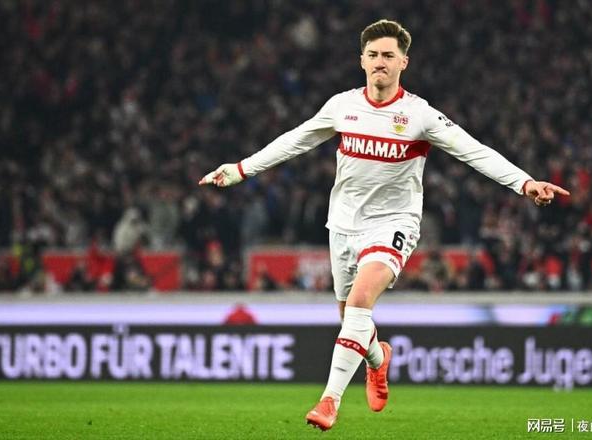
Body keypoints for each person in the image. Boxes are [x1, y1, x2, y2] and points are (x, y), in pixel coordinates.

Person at [199, 19, 569, 431]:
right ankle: (378, 357)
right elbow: (295, 140)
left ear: (403, 62)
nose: (380, 62)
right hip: (343, 226)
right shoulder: (342, 106)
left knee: (360, 302)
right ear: (361, 60)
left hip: (394, 224)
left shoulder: (419, 115)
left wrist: (524, 182)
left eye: (389, 56)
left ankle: (329, 401)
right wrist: (240, 169)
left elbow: (473, 150)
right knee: (352, 320)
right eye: (373, 55)